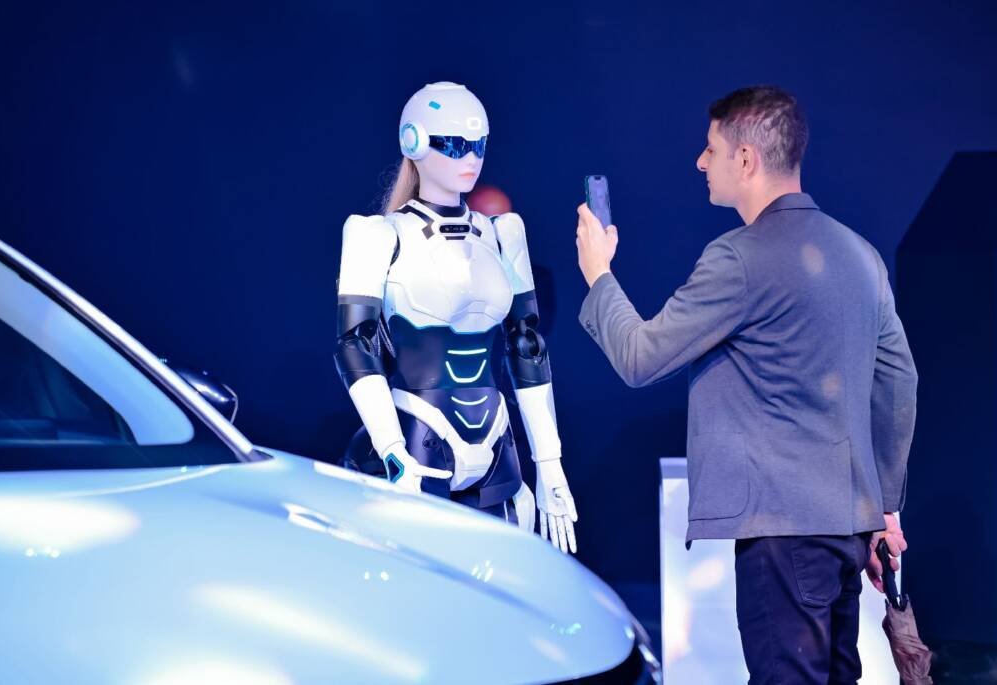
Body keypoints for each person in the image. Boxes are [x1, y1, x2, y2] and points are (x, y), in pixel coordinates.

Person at [575, 86, 917, 682]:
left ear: (746, 158)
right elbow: (899, 383)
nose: (699, 162)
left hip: (783, 536)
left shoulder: (739, 258)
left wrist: (599, 274)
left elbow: (639, 357)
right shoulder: (862, 255)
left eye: (710, 149)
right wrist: (883, 508)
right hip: (848, 530)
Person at [335, 82, 579, 553]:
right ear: (414, 142)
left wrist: (550, 463)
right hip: (416, 435)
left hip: (497, 443)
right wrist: (392, 452)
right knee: (423, 583)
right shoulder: (378, 235)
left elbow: (526, 344)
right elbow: (355, 345)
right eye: (453, 144)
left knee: (505, 576)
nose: (470, 158)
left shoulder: (502, 233)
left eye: (479, 145)